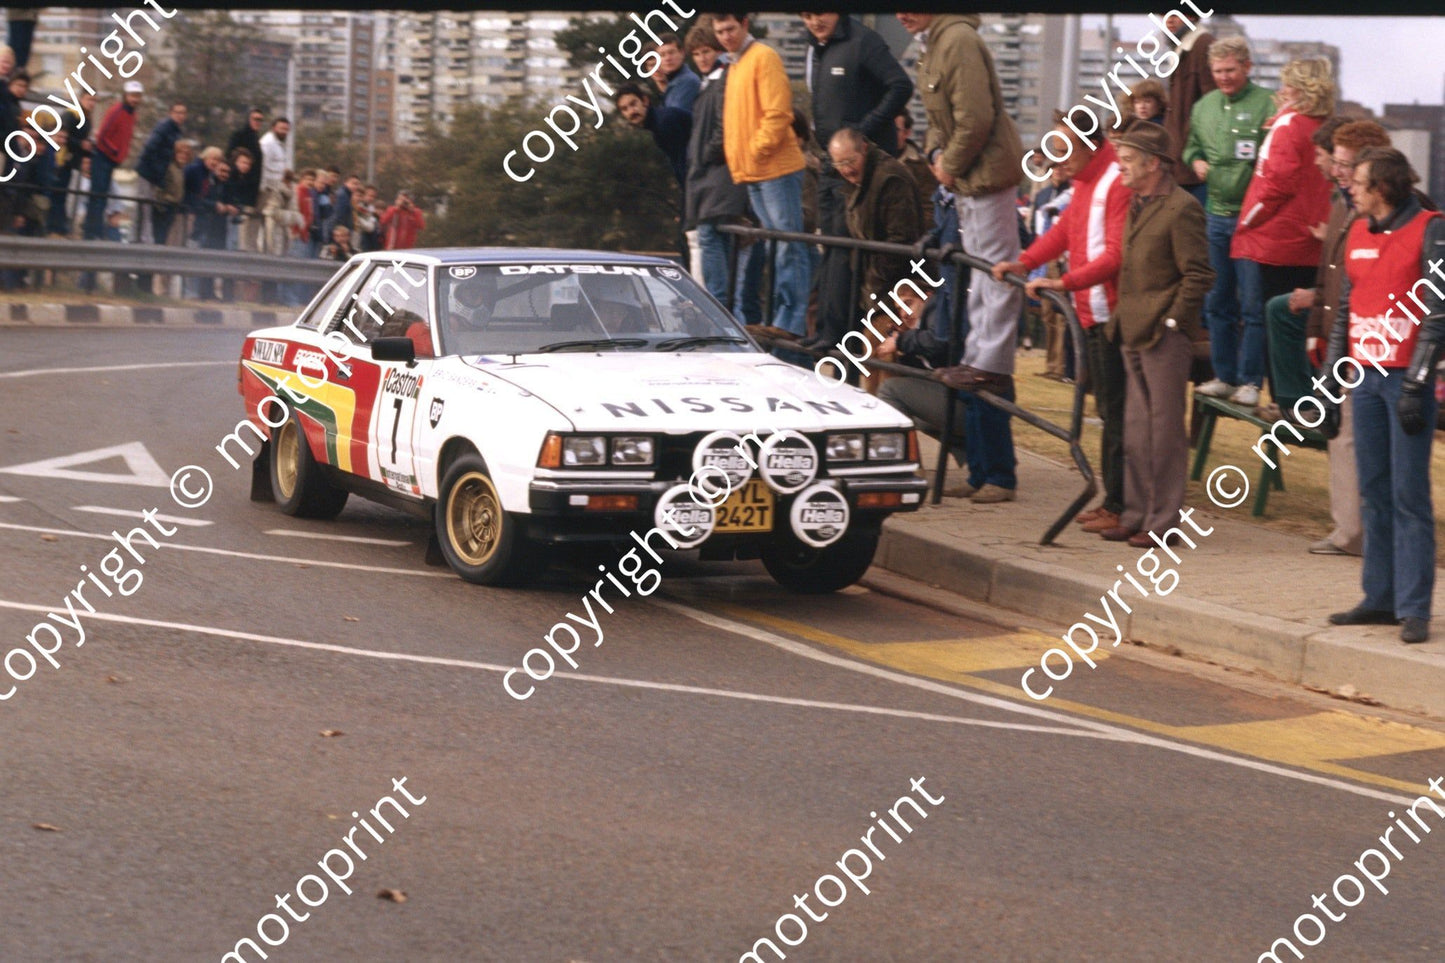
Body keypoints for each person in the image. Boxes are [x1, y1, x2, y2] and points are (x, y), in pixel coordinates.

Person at [1319, 147, 1445, 645]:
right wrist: (1331, 379)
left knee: (1408, 494)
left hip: (1403, 380)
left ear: (1384, 188)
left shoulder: (1431, 228)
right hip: (1364, 377)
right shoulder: (1355, 231)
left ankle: (1415, 607)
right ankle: (1379, 597)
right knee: (1372, 490)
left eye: (1360, 180)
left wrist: (1418, 382)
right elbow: (1348, 309)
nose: (1349, 185)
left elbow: (1438, 312)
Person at [901, 11, 1025, 504]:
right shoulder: (936, 41)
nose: (900, 13)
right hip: (965, 182)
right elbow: (940, 121)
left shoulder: (957, 40)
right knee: (975, 307)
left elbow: (975, 118)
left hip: (982, 178)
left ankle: (996, 469)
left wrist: (946, 167)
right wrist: (939, 159)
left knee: (993, 285)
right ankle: (982, 468)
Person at [996, 113, 1130, 530]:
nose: (1056, 163)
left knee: (1117, 413)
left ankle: (1121, 504)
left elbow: (1115, 255)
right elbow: (1067, 228)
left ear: (1091, 146)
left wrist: (1064, 282)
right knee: (1109, 410)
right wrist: (1027, 260)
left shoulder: (1113, 181)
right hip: (1092, 309)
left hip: (1110, 313)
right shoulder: (1088, 178)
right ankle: (1116, 500)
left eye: (1064, 151)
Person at [1100, 120, 1214, 547]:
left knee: (1165, 432)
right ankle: (1135, 513)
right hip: (1132, 328)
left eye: (1127, 160)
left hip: (1163, 335)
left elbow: (1199, 274)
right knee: (1135, 429)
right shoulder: (1137, 203)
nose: (1121, 168)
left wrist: (1172, 321)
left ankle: (1163, 522)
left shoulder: (1182, 208)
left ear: (1153, 164)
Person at [1228, 58, 1337, 408]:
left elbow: (1275, 183)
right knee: (1304, 325)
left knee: (1277, 321)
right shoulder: (1324, 127)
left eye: (1287, 83)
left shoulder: (1289, 125)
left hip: (1278, 237)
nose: (1281, 89)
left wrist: (1248, 221)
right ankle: (1303, 400)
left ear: (1299, 88)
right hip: (1311, 237)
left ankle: (1285, 400)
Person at [802, 12, 913, 349]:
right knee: (832, 248)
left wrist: (862, 132)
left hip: (857, 165)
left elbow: (901, 85)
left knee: (850, 252)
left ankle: (838, 337)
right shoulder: (818, 48)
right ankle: (825, 333)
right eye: (805, 15)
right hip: (828, 161)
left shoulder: (863, 41)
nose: (814, 21)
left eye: (819, 12)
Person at [1185, 37, 1276, 406]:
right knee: (1217, 300)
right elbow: (1190, 145)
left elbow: (1275, 157)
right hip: (1215, 215)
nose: (1223, 77)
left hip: (1252, 220)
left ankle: (1251, 381)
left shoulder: (1266, 104)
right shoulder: (1204, 106)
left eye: (1230, 70)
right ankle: (1224, 375)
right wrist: (1195, 161)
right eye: (1217, 71)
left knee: (1253, 303)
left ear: (1247, 67)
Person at [712, 11, 811, 338]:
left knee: (788, 245)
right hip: (753, 171)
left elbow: (778, 112)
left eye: (729, 29)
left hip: (774, 168)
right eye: (719, 31)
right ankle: (783, 318)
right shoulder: (736, 64)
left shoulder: (763, 57)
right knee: (776, 245)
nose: (725, 36)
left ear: (744, 25)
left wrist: (756, 150)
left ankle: (791, 321)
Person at [827, 127, 922, 392]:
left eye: (850, 162)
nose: (846, 170)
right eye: (839, 164)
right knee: (871, 363)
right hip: (873, 287)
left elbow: (900, 242)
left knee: (883, 364)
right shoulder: (860, 180)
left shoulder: (890, 178)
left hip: (893, 288)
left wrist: (875, 288)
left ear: (864, 150)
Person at [877, 284, 970, 493]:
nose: (903, 312)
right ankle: (977, 460)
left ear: (926, 296)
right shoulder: (920, 325)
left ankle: (909, 468)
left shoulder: (937, 309)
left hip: (968, 403)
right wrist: (903, 350)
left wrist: (902, 341)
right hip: (962, 403)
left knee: (889, 390)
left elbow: (937, 345)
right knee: (919, 419)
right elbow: (920, 378)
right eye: (899, 308)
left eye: (908, 303)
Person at [683, 17, 750, 308]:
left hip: (718, 176)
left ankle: (718, 308)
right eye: (696, 53)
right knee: (712, 239)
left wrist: (707, 156)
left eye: (706, 51)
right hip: (707, 176)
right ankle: (719, 305)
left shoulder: (723, 78)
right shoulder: (707, 83)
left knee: (712, 238)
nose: (701, 58)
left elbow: (726, 125)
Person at [1161, 9, 1215, 203]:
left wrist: (1197, 153)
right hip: (1180, 161)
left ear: (1191, 16)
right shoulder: (1181, 47)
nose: (1168, 21)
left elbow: (1212, 105)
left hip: (1194, 164)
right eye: (1164, 16)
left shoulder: (1203, 45)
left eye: (1174, 16)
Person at [85, 82, 143, 242]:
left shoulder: (132, 115)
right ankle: (91, 232)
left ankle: (96, 230)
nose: (135, 99)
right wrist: (114, 150)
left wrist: (121, 154)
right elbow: (102, 134)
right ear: (126, 96)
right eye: (132, 96)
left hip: (112, 160)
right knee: (97, 196)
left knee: (103, 197)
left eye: (137, 96)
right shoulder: (117, 111)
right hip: (103, 156)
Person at [615, 82, 691, 190]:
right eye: (624, 109)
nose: (631, 112)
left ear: (645, 101)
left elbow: (686, 164)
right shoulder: (657, 124)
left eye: (633, 104)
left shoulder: (663, 123)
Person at [895, 111, 936, 234]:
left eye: (895, 130)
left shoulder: (921, 168)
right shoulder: (868, 160)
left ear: (907, 133)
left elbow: (929, 209)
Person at [651, 32, 699, 114]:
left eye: (671, 52)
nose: (667, 58)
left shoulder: (687, 81)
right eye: (662, 55)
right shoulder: (672, 84)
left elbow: (674, 119)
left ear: (682, 53)